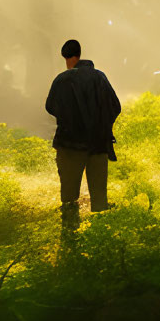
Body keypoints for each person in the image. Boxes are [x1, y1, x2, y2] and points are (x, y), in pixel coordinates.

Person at [44, 39, 120, 229]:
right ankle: (101, 240)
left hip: (69, 146)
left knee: (69, 198)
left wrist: (70, 120)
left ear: (67, 57)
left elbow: (50, 107)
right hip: (99, 145)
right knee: (100, 199)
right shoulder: (100, 78)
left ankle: (70, 239)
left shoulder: (62, 80)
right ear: (80, 54)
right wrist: (102, 126)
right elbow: (115, 107)